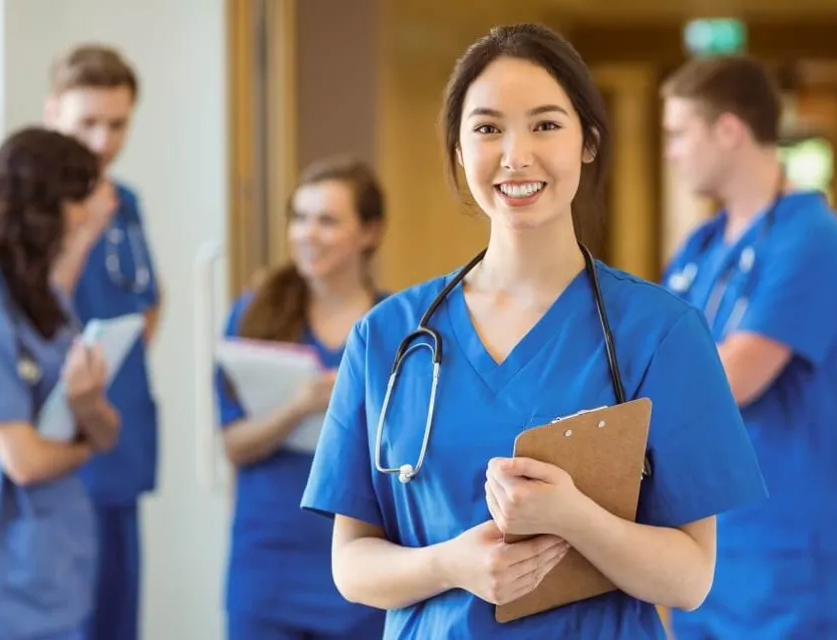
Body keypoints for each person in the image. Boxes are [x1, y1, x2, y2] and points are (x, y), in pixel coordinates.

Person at [298, 23, 769, 640]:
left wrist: (574, 517)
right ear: (459, 152)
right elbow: (351, 564)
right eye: (488, 128)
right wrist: (452, 565)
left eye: (545, 124)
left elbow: (689, 578)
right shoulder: (387, 336)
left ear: (588, 143)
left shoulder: (662, 334)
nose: (515, 156)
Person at [0, 44, 163, 640]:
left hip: (110, 439)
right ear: (53, 114)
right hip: (42, 456)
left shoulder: (125, 205)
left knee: (113, 616)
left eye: (118, 124)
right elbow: (31, 312)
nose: (102, 142)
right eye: (87, 123)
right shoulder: (4, 217)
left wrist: (116, 353)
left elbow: (149, 293)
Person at [660, 55, 837, 639]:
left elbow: (732, 379)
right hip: (705, 549)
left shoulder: (812, 239)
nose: (671, 151)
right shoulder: (701, 245)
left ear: (728, 131)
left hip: (782, 553)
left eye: (678, 133)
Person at [0, 127, 121, 640]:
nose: (88, 214)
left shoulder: (47, 301)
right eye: (80, 199)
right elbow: (25, 461)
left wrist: (86, 406)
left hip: (53, 557)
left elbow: (106, 433)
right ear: (45, 206)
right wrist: (82, 443)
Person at [214, 156, 388, 639]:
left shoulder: (395, 328)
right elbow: (234, 445)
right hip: (267, 566)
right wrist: (301, 407)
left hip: (362, 565)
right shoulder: (253, 318)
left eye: (327, 220)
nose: (308, 233)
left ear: (369, 233)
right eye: (300, 217)